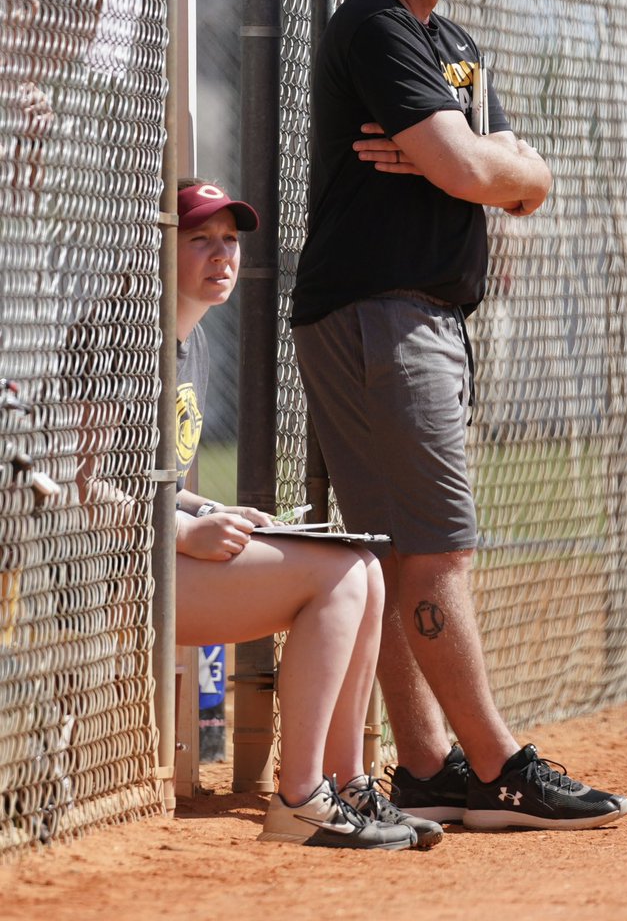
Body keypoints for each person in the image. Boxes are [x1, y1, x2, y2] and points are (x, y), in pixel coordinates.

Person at [290, 0, 627, 830]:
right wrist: (474, 165)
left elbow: (523, 178)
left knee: (404, 553)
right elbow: (467, 164)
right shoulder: (376, 22)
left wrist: (487, 167)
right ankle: (497, 765)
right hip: (382, 311)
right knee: (436, 552)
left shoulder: (457, 44)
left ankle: (431, 762)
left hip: (413, 313)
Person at [173, 177, 445, 851]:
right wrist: (183, 530)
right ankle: (298, 798)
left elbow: (154, 481)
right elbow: (87, 487)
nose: (221, 255)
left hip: (164, 557)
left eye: (229, 241)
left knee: (363, 566)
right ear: (155, 248)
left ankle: (343, 783)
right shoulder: (123, 339)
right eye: (198, 239)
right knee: (336, 577)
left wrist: (212, 509)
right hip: (116, 572)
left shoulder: (193, 341)